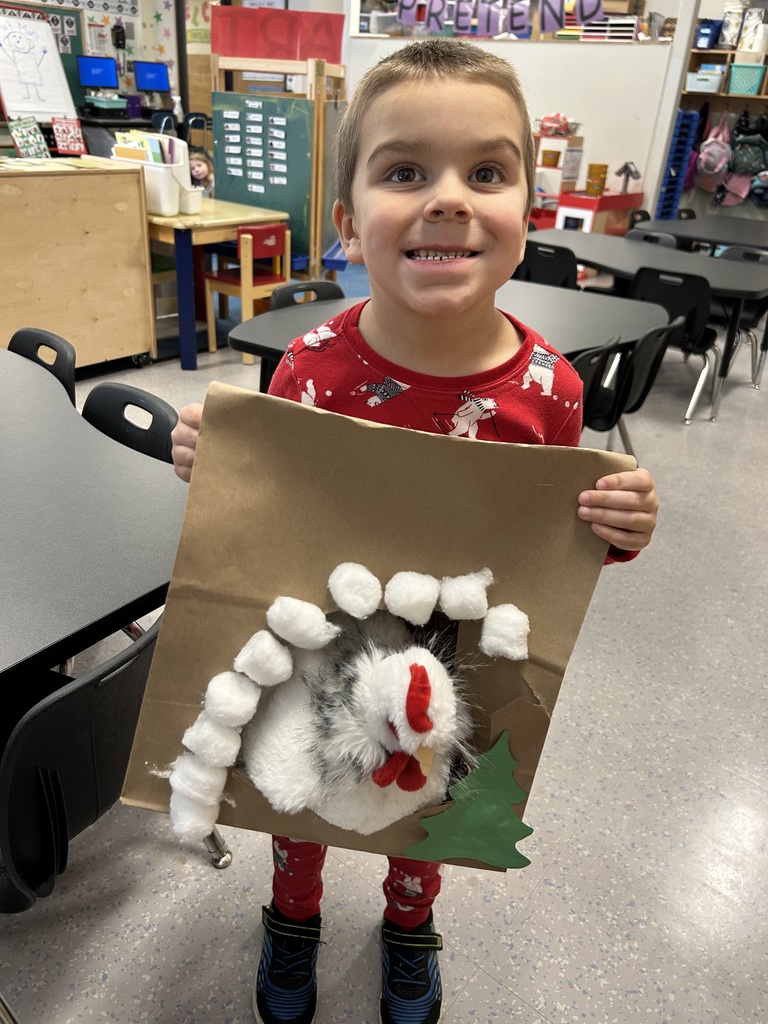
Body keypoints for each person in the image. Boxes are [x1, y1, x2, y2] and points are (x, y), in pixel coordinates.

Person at [171, 39, 659, 1024]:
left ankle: (408, 923)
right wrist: (219, 466)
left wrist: (617, 524)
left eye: (486, 172)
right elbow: (269, 519)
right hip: (327, 636)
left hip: (454, 655)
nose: (447, 197)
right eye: (405, 171)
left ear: (529, 216)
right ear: (348, 223)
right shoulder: (309, 368)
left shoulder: (549, 390)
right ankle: (294, 914)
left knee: (424, 799)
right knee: (302, 789)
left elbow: (554, 542)